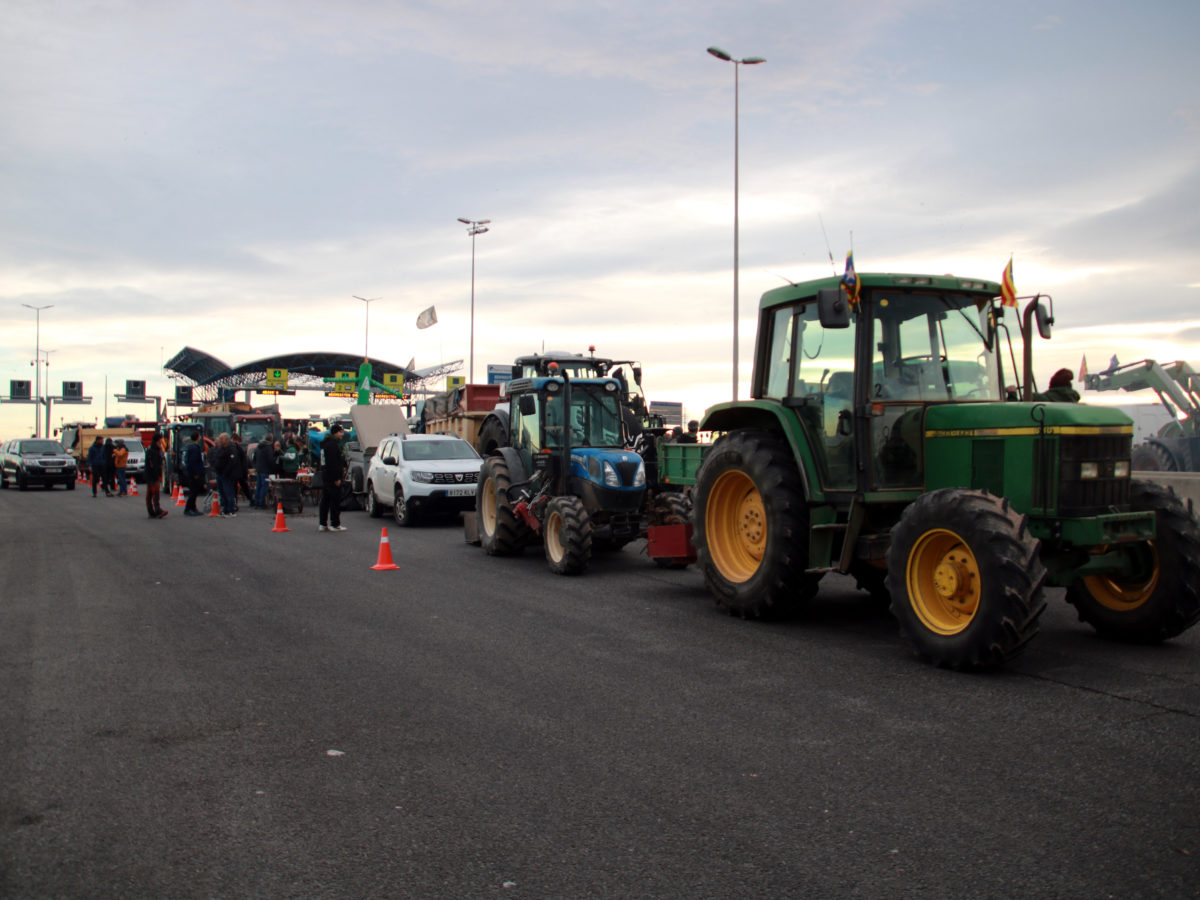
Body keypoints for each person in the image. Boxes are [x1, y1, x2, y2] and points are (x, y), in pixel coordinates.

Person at [318, 423, 346, 532]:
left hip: (325, 475)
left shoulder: (325, 444)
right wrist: (337, 478)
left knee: (325, 500)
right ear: (335, 433)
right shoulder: (333, 445)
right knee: (335, 501)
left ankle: (323, 524)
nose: (342, 434)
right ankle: (335, 524)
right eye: (340, 432)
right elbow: (333, 463)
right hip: (332, 477)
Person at [211, 433, 238, 517]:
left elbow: (232, 462)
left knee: (228, 492)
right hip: (220, 474)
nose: (220, 440)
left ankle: (231, 510)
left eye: (221, 439)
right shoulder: (221, 448)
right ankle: (225, 509)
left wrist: (225, 471)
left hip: (227, 475)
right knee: (222, 493)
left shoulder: (231, 449)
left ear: (226, 439)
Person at [143, 431, 168, 519]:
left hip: (150, 475)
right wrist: (156, 475)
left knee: (150, 494)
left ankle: (151, 512)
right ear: (158, 440)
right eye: (161, 439)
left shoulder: (152, 448)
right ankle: (157, 511)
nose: (162, 440)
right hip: (152, 475)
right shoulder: (154, 450)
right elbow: (153, 464)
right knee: (154, 494)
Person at [183, 431, 207, 516]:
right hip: (194, 474)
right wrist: (196, 473)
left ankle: (193, 508)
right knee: (193, 492)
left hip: (192, 473)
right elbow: (194, 462)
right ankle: (188, 509)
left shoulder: (191, 447)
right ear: (197, 437)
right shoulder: (194, 448)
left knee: (195, 492)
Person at [252, 432, 275, 509]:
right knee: (264, 486)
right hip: (265, 469)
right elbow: (270, 460)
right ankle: (262, 503)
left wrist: (256, 466)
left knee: (258, 486)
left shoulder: (258, 447)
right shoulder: (268, 448)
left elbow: (254, 459)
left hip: (258, 469)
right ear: (271, 439)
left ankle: (257, 502)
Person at [231, 433, 252, 508]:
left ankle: (234, 503)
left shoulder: (234, 448)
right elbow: (244, 462)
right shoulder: (239, 449)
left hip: (236, 471)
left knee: (235, 488)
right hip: (240, 472)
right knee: (244, 486)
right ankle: (251, 500)